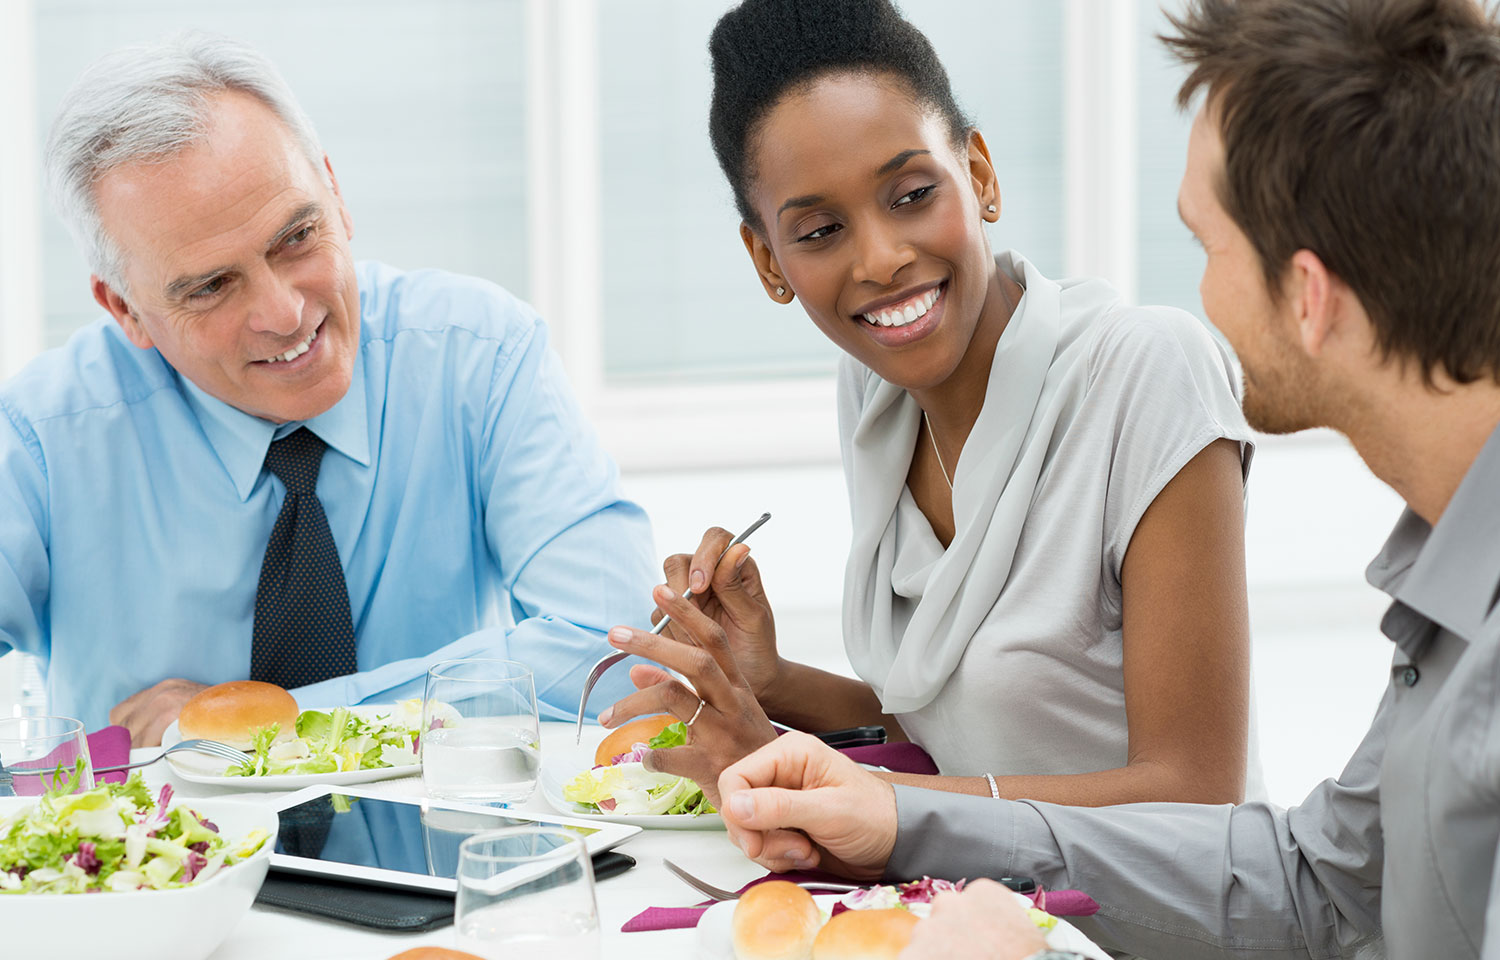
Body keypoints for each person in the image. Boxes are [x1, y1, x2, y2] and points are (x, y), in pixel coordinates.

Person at [714, 0, 1500, 958]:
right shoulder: (1448, 588)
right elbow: (1322, 890)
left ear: (1308, 294)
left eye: (1209, 246)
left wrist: (906, 818)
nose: (1200, 292)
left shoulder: (1150, 372)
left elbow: (1229, 825)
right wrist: (884, 804)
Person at [599, 0, 1259, 810]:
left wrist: (855, 799)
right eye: (818, 232)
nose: (882, 259)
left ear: (979, 174)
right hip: (980, 913)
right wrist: (767, 683)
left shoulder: (1146, 372)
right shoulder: (879, 393)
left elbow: (1195, 800)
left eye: (911, 193)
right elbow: (956, 738)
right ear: (768, 261)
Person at [0, 33, 657, 744]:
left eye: (296, 237)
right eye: (214, 286)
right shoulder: (43, 437)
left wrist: (271, 726)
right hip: (166, 856)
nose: (284, 313)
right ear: (126, 309)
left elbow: (619, 658)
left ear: (336, 197)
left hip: (448, 858)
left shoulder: (477, 359)